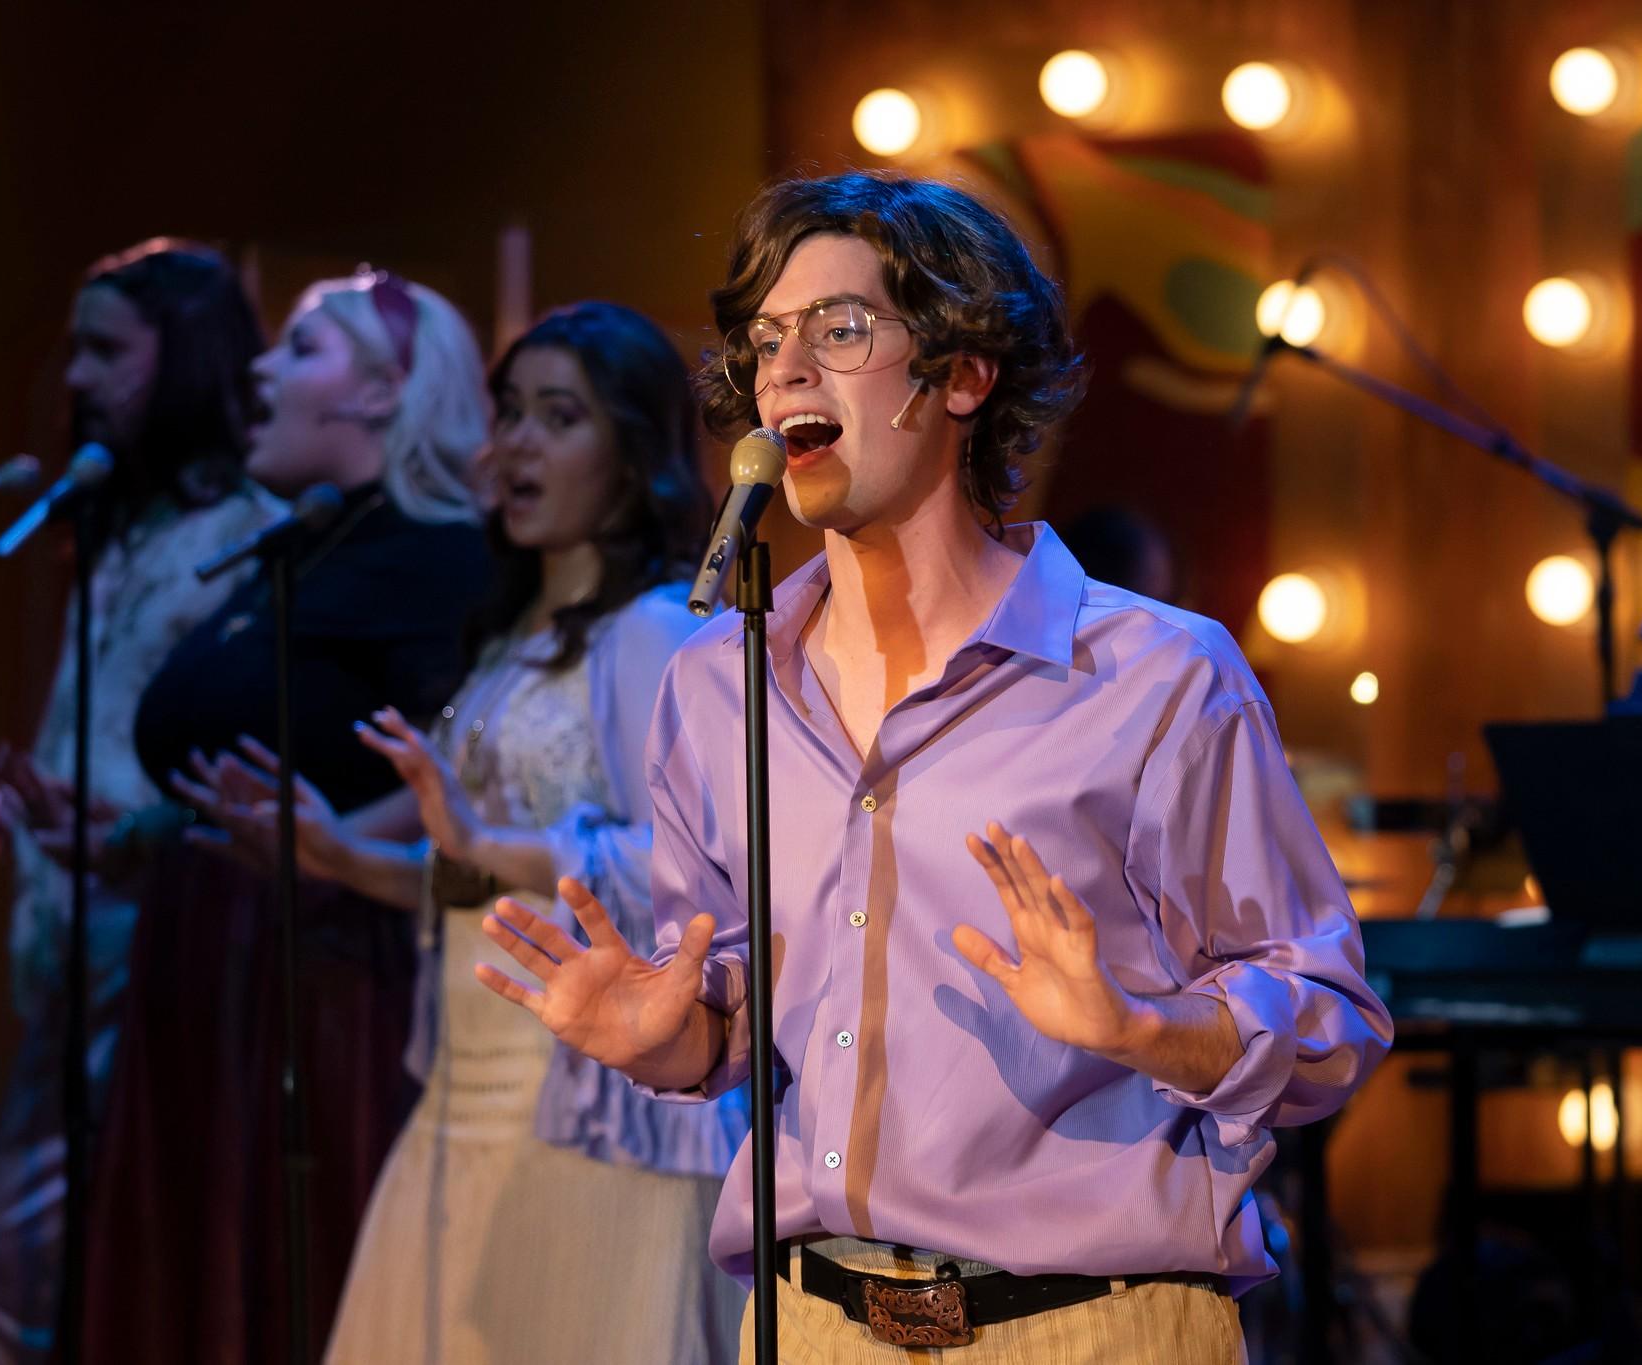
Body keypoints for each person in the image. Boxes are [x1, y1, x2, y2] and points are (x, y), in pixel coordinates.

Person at [476, 173, 1393, 1361]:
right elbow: (740, 1004)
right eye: (766, 342)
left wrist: (1141, 1029)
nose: (787, 371)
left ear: (963, 374)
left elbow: (1328, 1018)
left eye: (840, 330)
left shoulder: (1157, 676)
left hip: (1089, 1330)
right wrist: (680, 1040)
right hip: (811, 1327)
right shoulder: (716, 684)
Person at [204, 301, 746, 1363]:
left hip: (582, 1095)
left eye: (561, 416)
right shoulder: (507, 639)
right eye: (511, 414)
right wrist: (341, 855)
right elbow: (475, 876)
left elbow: (696, 875)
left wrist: (490, 845)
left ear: (632, 452)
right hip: (466, 1077)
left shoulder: (654, 634)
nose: (522, 443)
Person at [77, 269, 492, 1363]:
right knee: (197, 1270)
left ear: (384, 390)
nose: (261, 366)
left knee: (296, 1269)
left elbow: (467, 760)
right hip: (217, 946)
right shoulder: (305, 542)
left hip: (330, 963)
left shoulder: (440, 556)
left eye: (302, 348)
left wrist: (337, 850)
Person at [0, 238, 279, 1363]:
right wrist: (8, 816)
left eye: (108, 349)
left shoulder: (243, 535)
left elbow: (232, 760)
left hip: (162, 940)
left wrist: (125, 834)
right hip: (75, 940)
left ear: (185, 359)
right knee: (44, 1266)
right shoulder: (114, 528)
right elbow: (89, 741)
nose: (79, 377)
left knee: (51, 1265)